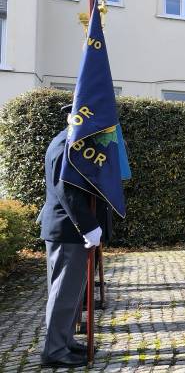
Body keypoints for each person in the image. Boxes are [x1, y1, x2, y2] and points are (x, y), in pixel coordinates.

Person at [38, 106, 105, 368]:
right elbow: (67, 190)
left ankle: (65, 341)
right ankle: (54, 350)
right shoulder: (65, 144)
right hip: (68, 230)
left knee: (74, 292)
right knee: (64, 292)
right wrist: (88, 225)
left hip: (70, 230)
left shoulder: (73, 143)